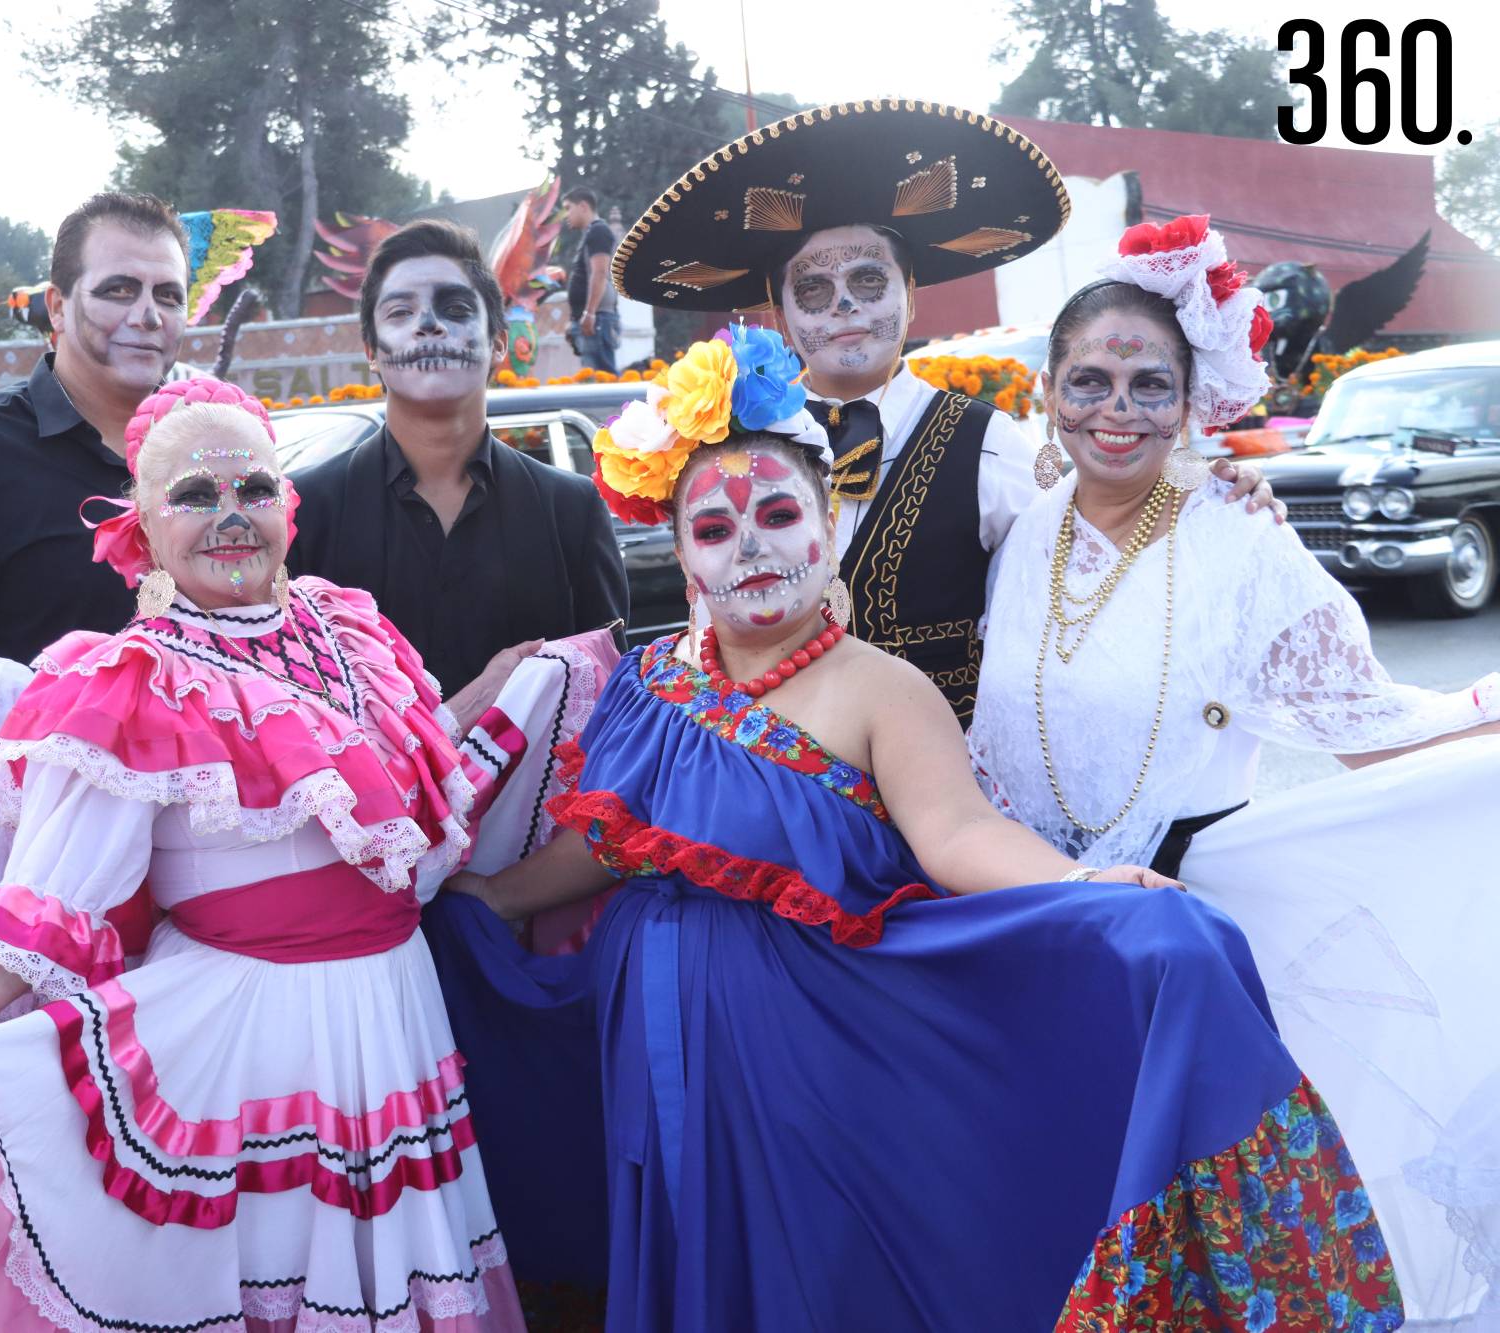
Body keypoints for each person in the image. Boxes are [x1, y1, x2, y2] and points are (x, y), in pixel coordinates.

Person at [420, 324, 1408, 1331]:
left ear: (826, 528)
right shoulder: (648, 683)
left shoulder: (880, 689)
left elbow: (954, 834)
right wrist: (492, 898)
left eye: (774, 513)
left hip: (805, 1038)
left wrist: (1079, 889)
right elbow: (609, 844)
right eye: (714, 529)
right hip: (649, 1021)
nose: (750, 543)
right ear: (678, 554)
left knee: (807, 1266)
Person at [0, 378, 531, 1330]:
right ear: (140, 525)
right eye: (194, 496)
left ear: (288, 506)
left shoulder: (356, 630)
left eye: (253, 489)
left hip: (395, 1014)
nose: (230, 517)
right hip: (247, 1046)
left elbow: (387, 806)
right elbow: (50, 902)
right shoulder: (130, 682)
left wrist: (511, 689)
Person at [971, 213, 1500, 1328]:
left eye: (1146, 385)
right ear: (1049, 390)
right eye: (1090, 380)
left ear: (1189, 397)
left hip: (1185, 945)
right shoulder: (1027, 527)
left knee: (1185, 1242)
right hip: (1034, 924)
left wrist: (1482, 724)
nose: (1115, 410)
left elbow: (1366, 724)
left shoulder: (1236, 540)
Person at [610, 99, 1276, 724]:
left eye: (868, 281)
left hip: (945, 789)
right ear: (779, 313)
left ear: (911, 295)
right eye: (814, 289)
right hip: (772, 774)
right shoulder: (732, 444)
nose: (844, 306)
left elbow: (1085, 566)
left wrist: (1197, 500)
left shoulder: (990, 444)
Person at [288, 219, 628, 698]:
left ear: (499, 345)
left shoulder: (570, 509)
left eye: (456, 308)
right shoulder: (303, 511)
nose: (429, 324)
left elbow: (605, 694)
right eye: (401, 312)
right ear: (371, 350)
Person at [0, 191, 191, 689]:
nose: (149, 315)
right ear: (58, 307)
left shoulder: (204, 451)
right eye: (120, 290)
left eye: (169, 295)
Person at [561, 186, 620, 373]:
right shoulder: (590, 233)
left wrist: (590, 313)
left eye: (568, 208)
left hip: (598, 320)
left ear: (583, 206)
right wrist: (575, 319)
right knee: (594, 380)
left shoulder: (599, 231)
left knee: (602, 382)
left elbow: (599, 272)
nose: (566, 214)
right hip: (593, 320)